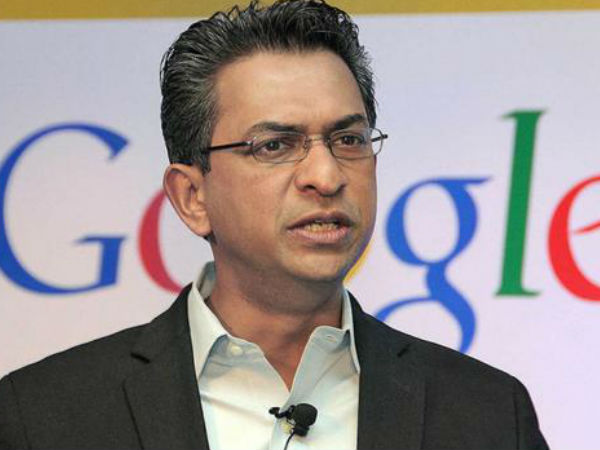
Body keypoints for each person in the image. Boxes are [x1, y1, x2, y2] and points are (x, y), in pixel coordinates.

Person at [0, 1, 549, 449]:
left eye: (349, 139)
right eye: (275, 146)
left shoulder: (488, 413)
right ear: (192, 197)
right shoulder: (42, 416)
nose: (326, 176)